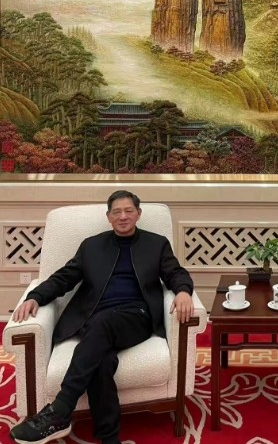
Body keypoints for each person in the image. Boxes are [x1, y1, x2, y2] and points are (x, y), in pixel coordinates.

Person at [10, 190, 194, 444]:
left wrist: (183, 291)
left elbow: (176, 273)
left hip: (135, 316)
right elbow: (64, 278)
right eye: (116, 212)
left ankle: (60, 409)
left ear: (138, 214)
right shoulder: (91, 246)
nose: (123, 216)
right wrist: (36, 297)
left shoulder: (156, 244)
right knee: (101, 362)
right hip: (94, 318)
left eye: (128, 211)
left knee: (103, 324)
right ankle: (109, 437)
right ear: (108, 217)